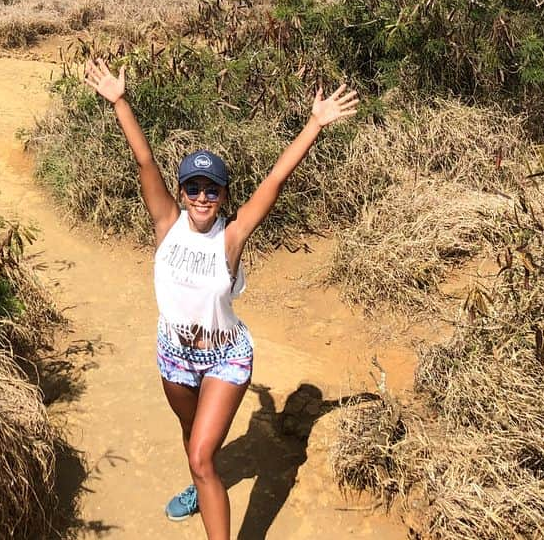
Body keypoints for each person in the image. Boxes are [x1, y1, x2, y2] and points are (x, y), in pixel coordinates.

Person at [84, 57, 359, 540]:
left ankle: (204, 483)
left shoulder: (230, 238)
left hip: (225, 357)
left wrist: (315, 124)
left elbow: (274, 181)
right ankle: (200, 478)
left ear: (225, 196)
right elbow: (144, 160)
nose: (201, 196)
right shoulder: (167, 225)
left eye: (212, 189)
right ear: (182, 191)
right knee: (194, 443)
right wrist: (120, 101)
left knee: (200, 454)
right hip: (174, 356)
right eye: (193, 186)